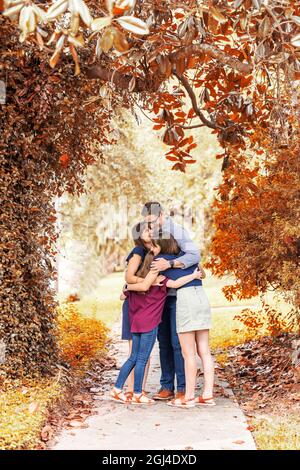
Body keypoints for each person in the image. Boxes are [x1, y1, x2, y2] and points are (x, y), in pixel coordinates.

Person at [110, 235, 203, 405]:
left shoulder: (142, 276)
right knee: (142, 359)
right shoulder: (158, 278)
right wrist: (194, 275)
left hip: (136, 322)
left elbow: (122, 295)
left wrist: (128, 287)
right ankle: (137, 393)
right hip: (149, 323)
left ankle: (117, 389)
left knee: (133, 358)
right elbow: (175, 284)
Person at [141, 202, 201, 400]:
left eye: (154, 221)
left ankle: (183, 388)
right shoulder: (148, 233)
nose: (152, 226)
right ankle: (166, 386)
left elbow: (194, 255)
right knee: (163, 342)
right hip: (158, 297)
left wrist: (171, 263)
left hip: (178, 295)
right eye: (148, 222)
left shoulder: (177, 230)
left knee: (177, 343)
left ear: (162, 215)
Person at [121, 222, 152, 399]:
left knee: (144, 352)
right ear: (139, 235)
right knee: (136, 351)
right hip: (134, 305)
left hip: (144, 305)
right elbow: (129, 277)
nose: (150, 232)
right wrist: (146, 283)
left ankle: (140, 388)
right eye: (146, 230)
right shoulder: (139, 251)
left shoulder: (152, 252)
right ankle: (132, 389)